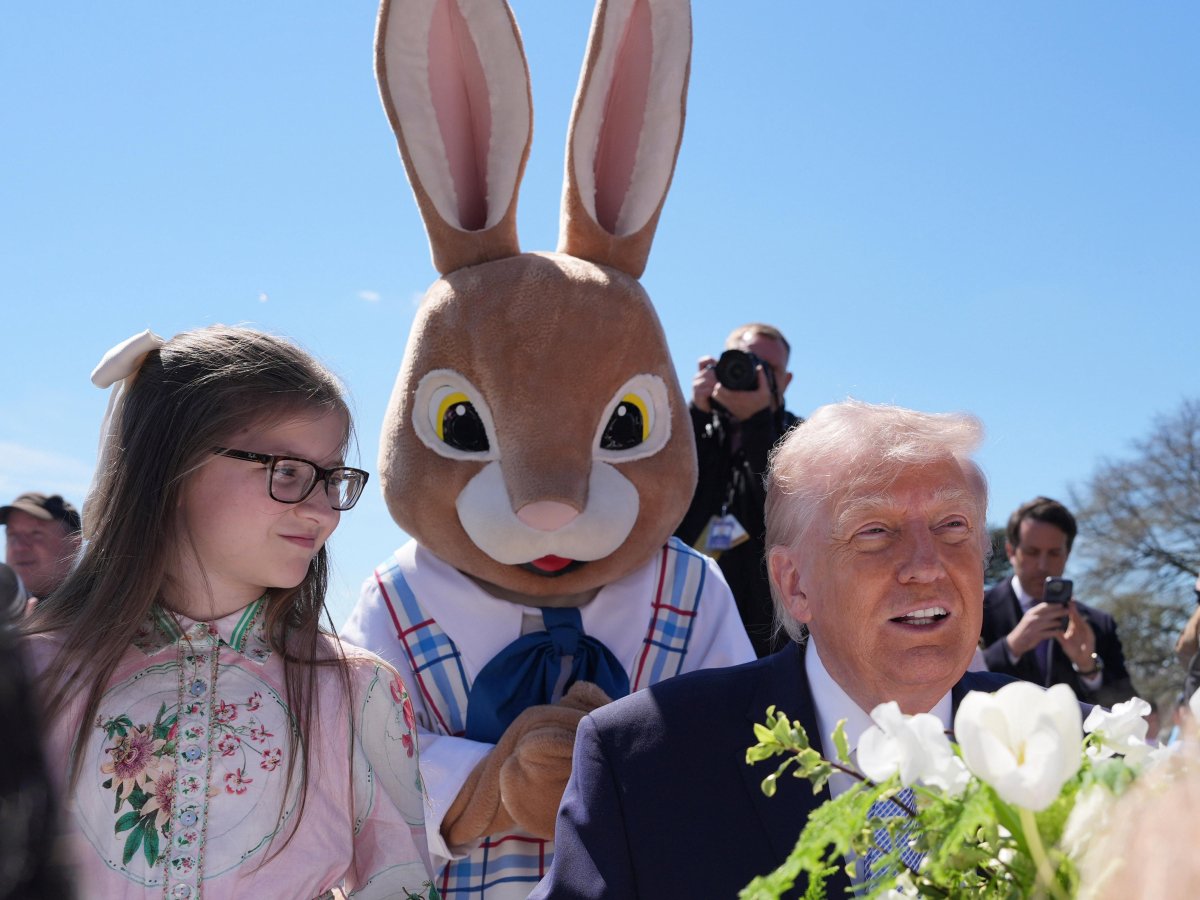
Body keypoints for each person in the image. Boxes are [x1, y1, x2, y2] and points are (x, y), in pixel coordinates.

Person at [532, 400, 1015, 899]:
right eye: (874, 531)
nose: (926, 564)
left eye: (953, 526)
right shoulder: (644, 762)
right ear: (794, 583)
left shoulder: (1085, 750)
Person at [22, 327, 434, 899]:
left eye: (333, 477)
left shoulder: (356, 691)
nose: (323, 512)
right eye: (287, 471)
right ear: (171, 466)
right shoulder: (30, 676)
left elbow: (401, 887)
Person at [675, 323, 801, 656]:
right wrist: (695, 417)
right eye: (745, 361)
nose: (754, 373)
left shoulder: (803, 439)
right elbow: (668, 498)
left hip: (766, 634)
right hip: (679, 617)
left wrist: (756, 424)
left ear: (786, 382)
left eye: (769, 368)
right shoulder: (693, 429)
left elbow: (784, 505)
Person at [980, 497, 1136, 706]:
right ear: (1011, 552)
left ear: (1067, 554)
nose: (1043, 565)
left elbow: (1127, 711)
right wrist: (1010, 648)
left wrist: (1088, 668)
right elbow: (953, 686)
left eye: (1054, 553)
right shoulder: (978, 611)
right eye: (1032, 552)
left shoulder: (1099, 625)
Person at [1, 492, 82, 603]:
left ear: (75, 545)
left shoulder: (101, 609)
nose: (19, 547)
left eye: (36, 534)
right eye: (12, 535)